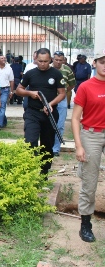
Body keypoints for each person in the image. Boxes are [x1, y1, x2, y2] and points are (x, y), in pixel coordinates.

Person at [15, 48, 66, 179]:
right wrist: (29, 93)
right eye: (40, 61)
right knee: (30, 141)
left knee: (46, 145)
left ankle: (44, 173)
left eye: (45, 61)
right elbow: (18, 90)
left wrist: (51, 104)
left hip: (49, 114)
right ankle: (29, 170)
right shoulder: (30, 73)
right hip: (33, 113)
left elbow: (62, 93)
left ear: (50, 60)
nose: (42, 64)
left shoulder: (56, 74)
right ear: (36, 59)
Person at [71, 48, 105, 243]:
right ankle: (86, 224)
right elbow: (75, 118)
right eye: (102, 61)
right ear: (95, 64)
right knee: (90, 182)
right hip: (91, 135)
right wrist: (79, 146)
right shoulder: (85, 87)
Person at [51, 51, 76, 157]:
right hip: (49, 99)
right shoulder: (48, 68)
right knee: (47, 124)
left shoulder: (67, 70)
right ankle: (47, 146)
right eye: (56, 60)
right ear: (53, 59)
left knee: (59, 125)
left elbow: (72, 84)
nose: (58, 62)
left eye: (60, 60)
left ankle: (56, 148)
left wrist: (64, 92)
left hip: (61, 100)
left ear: (63, 60)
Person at [0, 55, 14, 130]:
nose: (4, 59)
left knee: (1, 105)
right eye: (2, 58)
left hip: (5, 89)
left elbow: (11, 80)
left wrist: (11, 91)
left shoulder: (9, 68)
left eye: (4, 58)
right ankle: (4, 121)